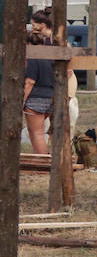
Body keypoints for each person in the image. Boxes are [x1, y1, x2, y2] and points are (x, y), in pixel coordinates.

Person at [23, 13, 56, 154]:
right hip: (50, 97)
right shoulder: (50, 58)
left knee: (37, 133)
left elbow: (30, 82)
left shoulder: (33, 59)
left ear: (29, 44)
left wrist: (22, 100)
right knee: (39, 132)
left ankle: (41, 160)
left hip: (35, 99)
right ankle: (42, 157)